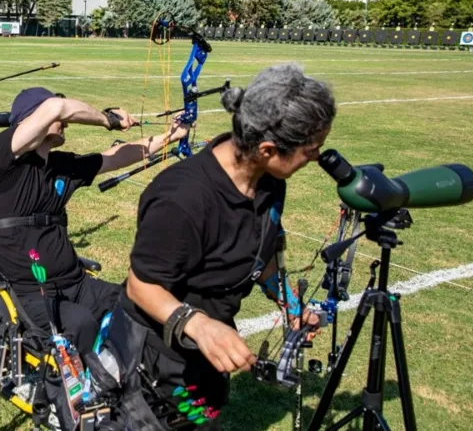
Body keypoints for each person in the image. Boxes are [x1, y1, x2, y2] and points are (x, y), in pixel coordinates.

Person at [115, 64, 334, 420]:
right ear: (266, 149)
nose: (316, 158)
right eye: (311, 149)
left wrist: (289, 301)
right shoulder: (181, 198)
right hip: (158, 354)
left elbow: (261, 256)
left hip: (209, 343)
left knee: (207, 413)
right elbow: (142, 285)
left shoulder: (269, 181)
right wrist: (199, 325)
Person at [0, 88, 189, 359]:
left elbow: (115, 157)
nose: (66, 123)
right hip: (26, 293)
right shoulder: (2, 156)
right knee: (80, 325)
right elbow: (57, 108)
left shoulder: (60, 166)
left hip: (74, 282)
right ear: (32, 119)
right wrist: (107, 119)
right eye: (59, 118)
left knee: (132, 304)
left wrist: (171, 136)